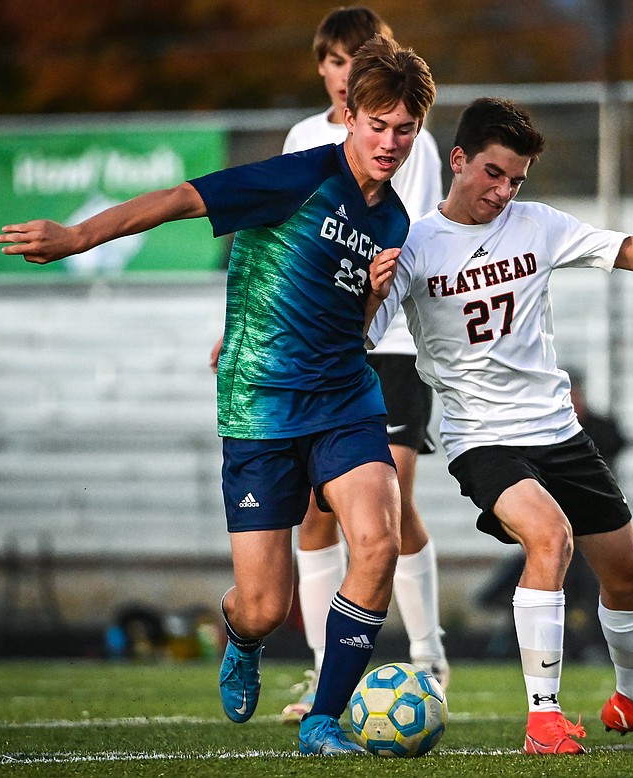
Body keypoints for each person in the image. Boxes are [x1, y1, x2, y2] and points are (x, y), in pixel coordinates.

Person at [0, 35, 436, 757]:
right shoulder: (299, 176)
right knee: (267, 606)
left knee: (379, 542)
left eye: (404, 129)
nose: (390, 142)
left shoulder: (393, 221)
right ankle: (242, 637)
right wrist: (77, 236)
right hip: (261, 403)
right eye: (377, 124)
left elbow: (353, 327)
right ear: (349, 115)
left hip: (344, 398)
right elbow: (180, 197)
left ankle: (324, 719)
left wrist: (374, 296)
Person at [366, 97, 633, 754]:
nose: (503, 190)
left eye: (515, 179)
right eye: (492, 172)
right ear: (458, 160)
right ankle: (543, 716)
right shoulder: (416, 241)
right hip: (483, 438)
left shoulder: (535, 224)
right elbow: (361, 328)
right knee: (550, 537)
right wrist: (369, 288)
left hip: (558, 432)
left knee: (630, 576)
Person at [206, 6, 449, 723]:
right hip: (289, 376)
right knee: (273, 586)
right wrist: (238, 329)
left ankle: (412, 665)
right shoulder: (304, 146)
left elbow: (423, 232)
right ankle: (288, 653)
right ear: (326, 71)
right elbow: (269, 250)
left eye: (362, 59)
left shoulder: (413, 141)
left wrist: (387, 297)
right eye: (340, 62)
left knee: (384, 516)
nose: (389, 137)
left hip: (383, 352)